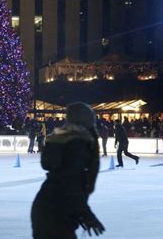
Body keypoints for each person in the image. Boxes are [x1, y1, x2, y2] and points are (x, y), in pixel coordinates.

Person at [31, 102, 105, 239]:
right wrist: (85, 214)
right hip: (58, 211)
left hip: (46, 206)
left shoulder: (61, 139)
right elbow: (70, 182)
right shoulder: (78, 144)